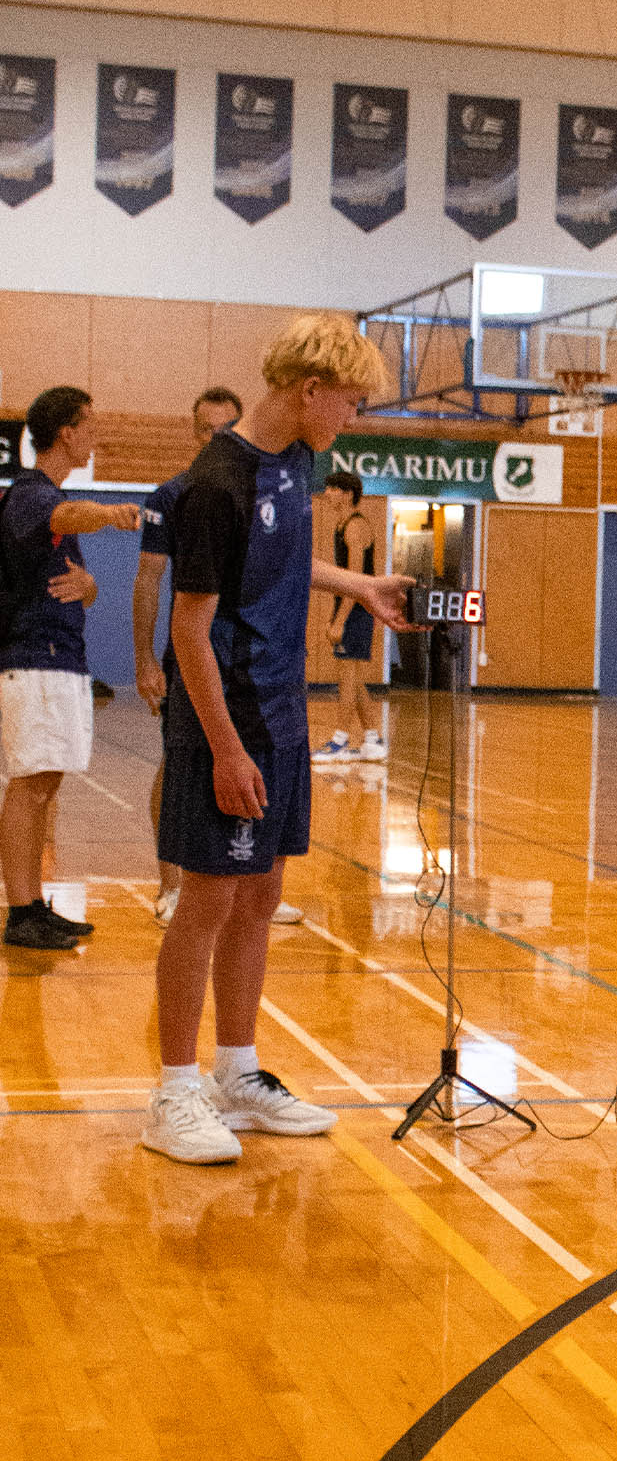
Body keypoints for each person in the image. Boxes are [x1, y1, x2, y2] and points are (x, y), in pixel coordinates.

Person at [144, 313, 416, 1165]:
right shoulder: (216, 480)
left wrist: (361, 584)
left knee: (260, 895)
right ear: (309, 390)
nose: (355, 414)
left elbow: (287, 566)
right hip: (224, 719)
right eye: (352, 399)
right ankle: (174, 1091)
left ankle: (237, 1073)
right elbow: (190, 628)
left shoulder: (299, 463)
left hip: (282, 713)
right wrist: (224, 747)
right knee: (208, 898)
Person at [0, 386, 143, 950]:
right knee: (28, 785)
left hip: (57, 662)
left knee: (44, 783)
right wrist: (109, 513)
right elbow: (68, 512)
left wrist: (90, 585)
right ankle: (19, 910)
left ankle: (32, 901)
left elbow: (75, 584)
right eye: (91, 424)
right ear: (66, 432)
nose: (97, 434)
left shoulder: (48, 503)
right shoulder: (33, 494)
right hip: (33, 662)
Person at [135, 385, 245, 925]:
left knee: (251, 764)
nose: (215, 439)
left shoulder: (259, 494)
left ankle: (248, 884)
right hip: (189, 653)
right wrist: (144, 660)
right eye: (206, 429)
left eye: (225, 429)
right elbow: (148, 581)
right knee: (179, 767)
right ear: (192, 430)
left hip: (246, 660)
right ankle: (170, 884)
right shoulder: (170, 496)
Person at [313, 472, 389, 765]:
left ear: (347, 493)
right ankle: (373, 738)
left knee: (347, 678)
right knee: (352, 678)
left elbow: (356, 581)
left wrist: (340, 620)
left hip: (357, 609)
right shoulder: (342, 523)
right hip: (347, 608)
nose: (327, 493)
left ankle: (341, 739)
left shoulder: (356, 527)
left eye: (332, 488)